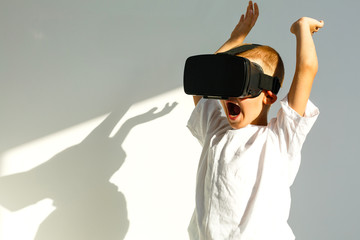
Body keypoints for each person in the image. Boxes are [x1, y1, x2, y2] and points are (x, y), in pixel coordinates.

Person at [186, 1, 324, 239]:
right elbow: (203, 81)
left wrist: (302, 28)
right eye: (226, 85)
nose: (230, 94)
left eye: (240, 84)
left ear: (268, 95)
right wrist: (235, 38)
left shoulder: (279, 137)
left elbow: (307, 68)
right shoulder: (215, 130)